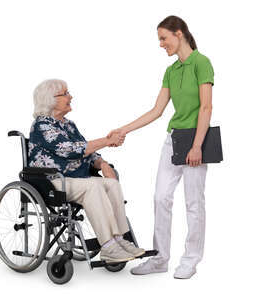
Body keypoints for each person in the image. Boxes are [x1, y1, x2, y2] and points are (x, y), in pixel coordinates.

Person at [108, 15, 214, 278]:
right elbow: (156, 110)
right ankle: (160, 259)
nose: (160, 44)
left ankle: (190, 259)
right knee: (161, 198)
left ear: (179, 34)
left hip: (196, 138)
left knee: (193, 202)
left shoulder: (202, 63)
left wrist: (198, 145)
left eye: (163, 38)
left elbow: (206, 106)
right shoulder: (170, 70)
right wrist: (124, 129)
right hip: (174, 139)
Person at [28, 79, 145, 263]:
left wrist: (103, 164)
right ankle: (108, 246)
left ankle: (120, 240)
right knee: (93, 186)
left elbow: (87, 152)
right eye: (65, 94)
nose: (70, 96)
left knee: (111, 184)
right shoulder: (42, 125)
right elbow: (70, 149)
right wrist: (107, 140)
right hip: (52, 180)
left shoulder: (68, 124)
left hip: (76, 179)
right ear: (50, 99)